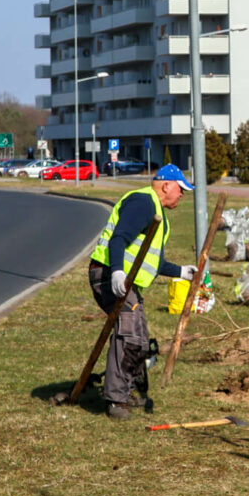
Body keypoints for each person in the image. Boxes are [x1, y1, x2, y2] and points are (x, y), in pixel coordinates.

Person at [68, 164, 197, 420]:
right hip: (110, 275)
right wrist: (117, 271)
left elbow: (151, 259)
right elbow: (119, 238)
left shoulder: (156, 210)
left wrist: (181, 272)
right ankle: (116, 399)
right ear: (166, 185)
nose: (182, 194)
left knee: (140, 337)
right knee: (129, 334)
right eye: (181, 188)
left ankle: (127, 391)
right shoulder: (143, 203)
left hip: (125, 280)